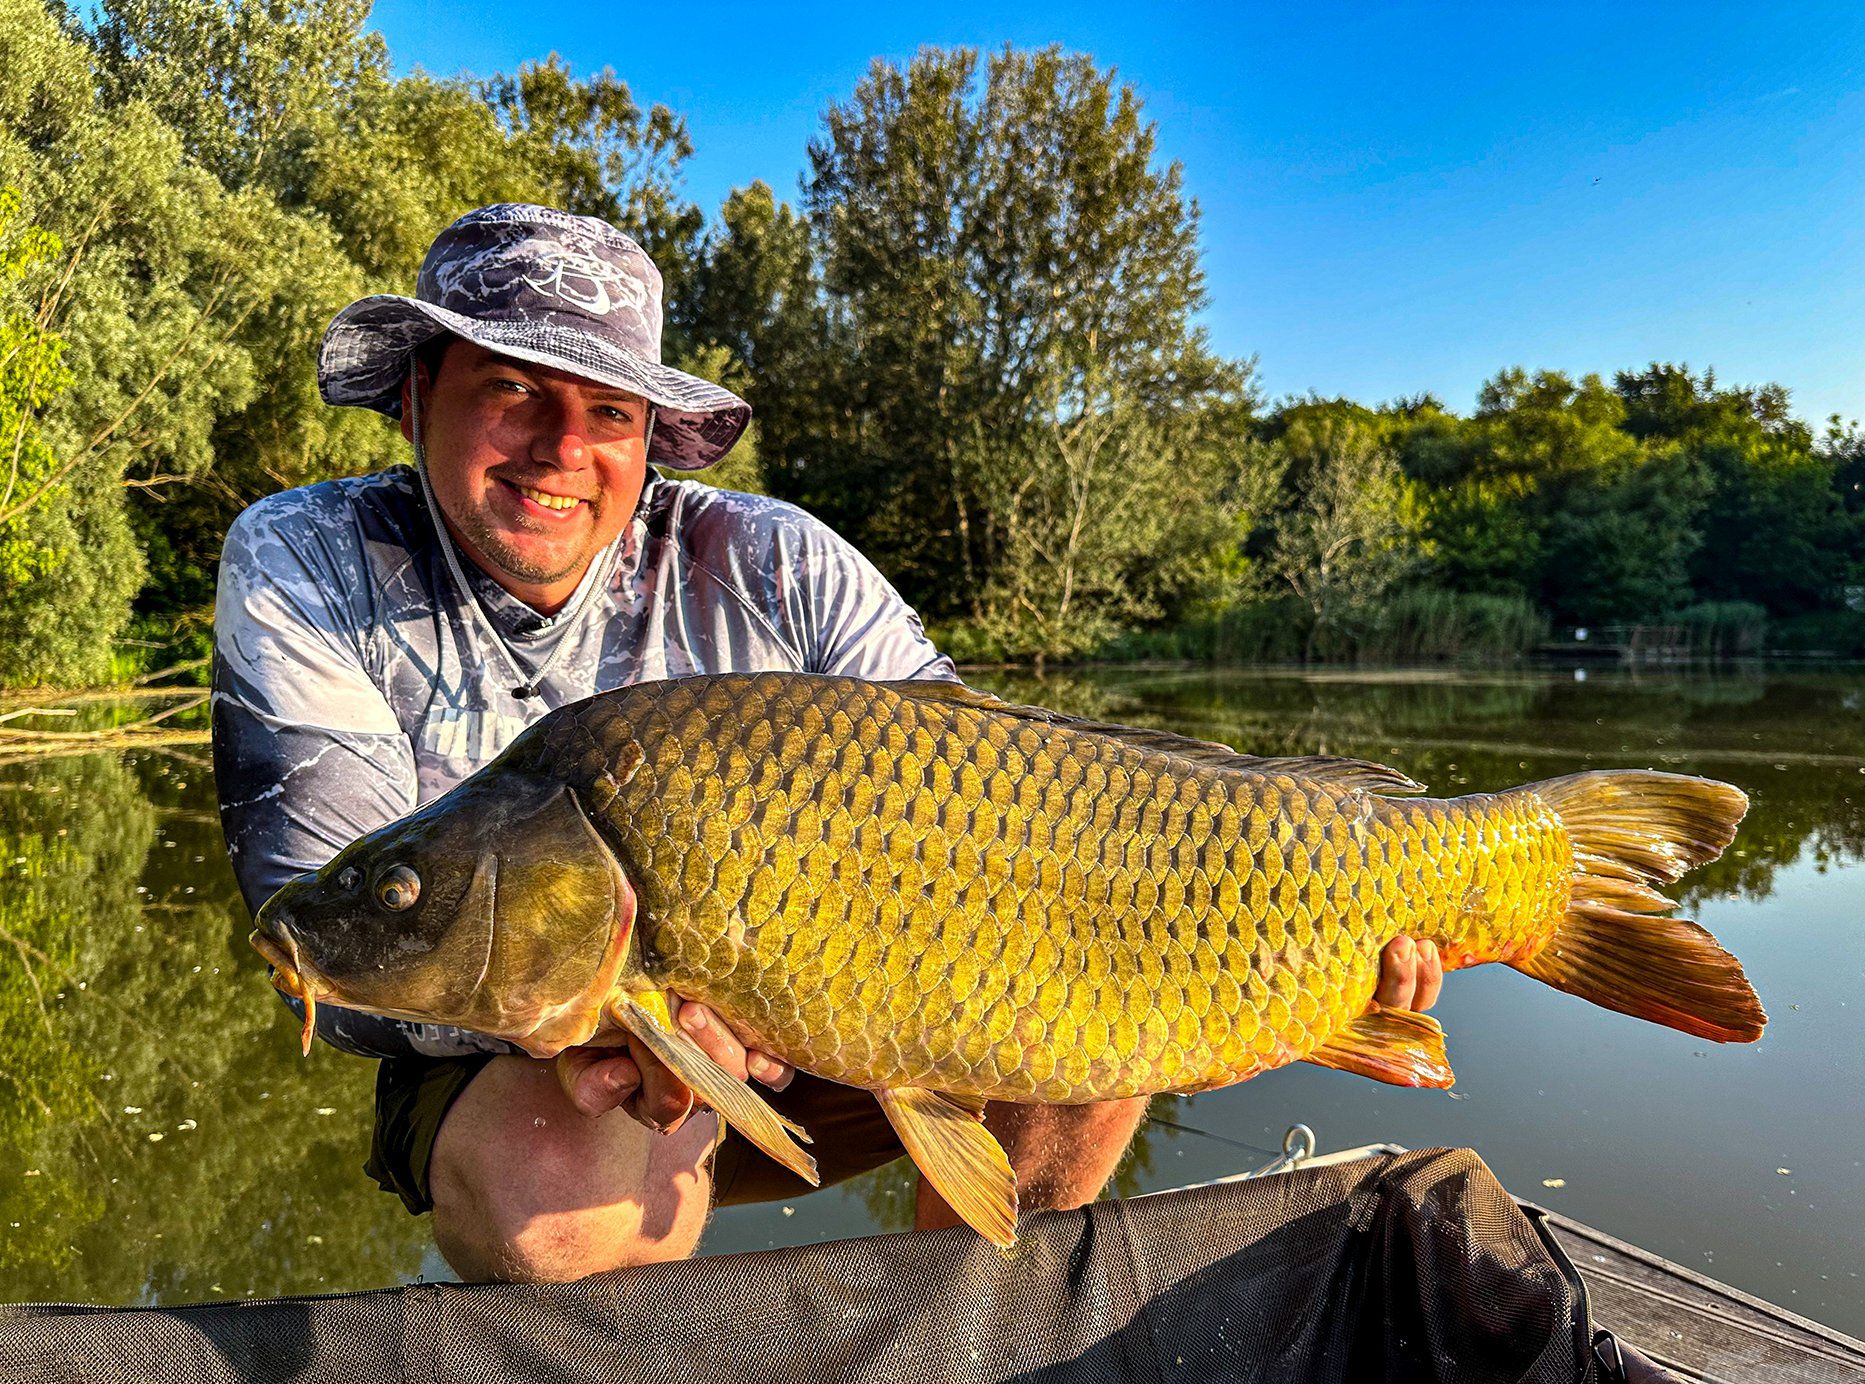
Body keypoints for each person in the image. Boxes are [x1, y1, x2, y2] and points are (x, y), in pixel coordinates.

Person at [212, 203, 1444, 1282]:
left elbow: (1008, 788)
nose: (560, 449)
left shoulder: (775, 562)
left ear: (650, 436)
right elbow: (337, 933)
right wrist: (621, 1027)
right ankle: (607, 1380)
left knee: (1086, 1017)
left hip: (855, 993)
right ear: (420, 391)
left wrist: (1271, 963)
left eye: (606, 409)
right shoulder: (309, 560)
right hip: (535, 1039)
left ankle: (960, 1360)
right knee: (562, 1203)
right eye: (512, 389)